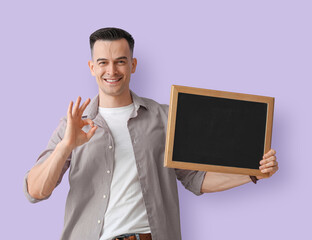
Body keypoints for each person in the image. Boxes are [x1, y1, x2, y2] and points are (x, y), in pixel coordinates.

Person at [24, 27, 278, 240]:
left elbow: (195, 179)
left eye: (120, 61)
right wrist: (65, 146)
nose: (111, 71)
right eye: (103, 62)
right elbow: (35, 192)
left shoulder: (166, 117)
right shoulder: (73, 125)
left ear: (133, 65)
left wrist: (252, 172)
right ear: (92, 67)